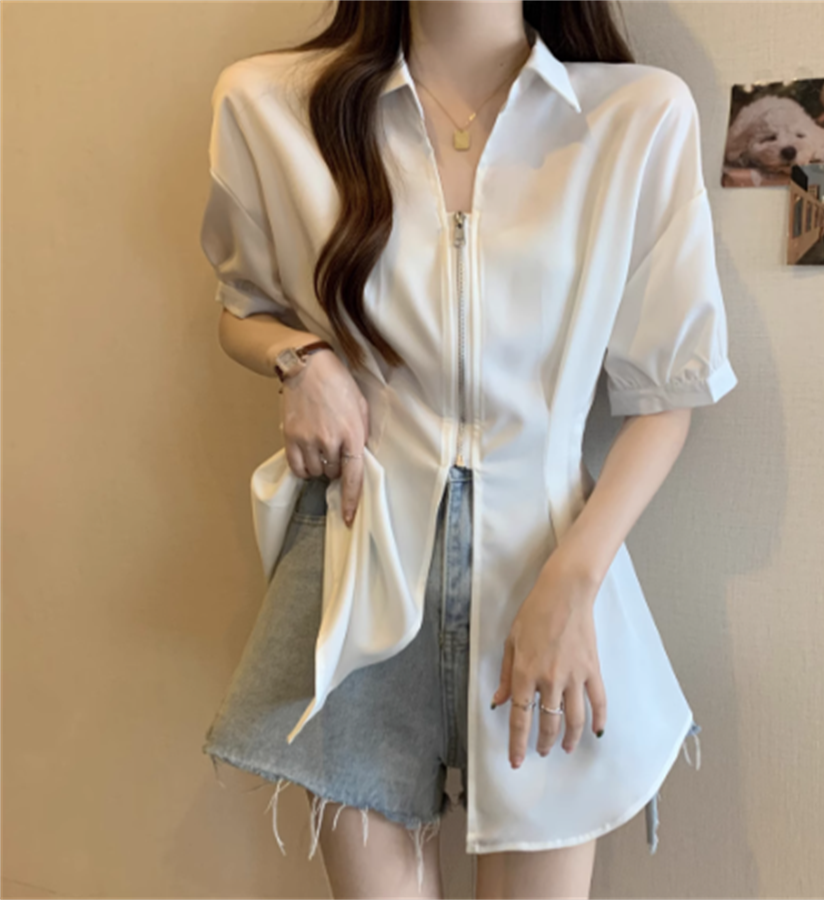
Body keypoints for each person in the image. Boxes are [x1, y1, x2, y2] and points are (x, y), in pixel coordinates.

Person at [198, 1, 738, 897]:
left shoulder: (636, 116)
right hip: (360, 572)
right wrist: (303, 360)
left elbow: (667, 397)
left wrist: (574, 583)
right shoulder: (274, 109)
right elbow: (242, 307)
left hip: (550, 580)